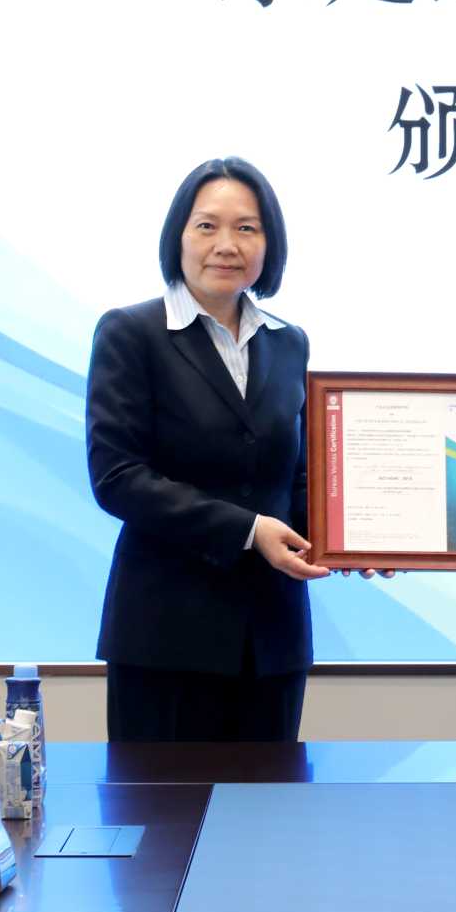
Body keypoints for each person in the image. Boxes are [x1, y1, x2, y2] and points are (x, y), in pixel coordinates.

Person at [84, 157, 328, 742]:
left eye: (247, 228)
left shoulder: (288, 342)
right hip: (165, 636)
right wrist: (249, 530)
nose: (227, 245)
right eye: (207, 226)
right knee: (162, 804)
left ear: (269, 244)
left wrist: (354, 538)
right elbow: (117, 476)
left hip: (271, 638)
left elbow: (299, 479)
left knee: (270, 801)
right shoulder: (130, 333)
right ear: (179, 236)